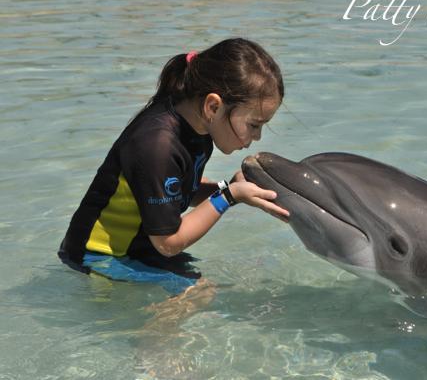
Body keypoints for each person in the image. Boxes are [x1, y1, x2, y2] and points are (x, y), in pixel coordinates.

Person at [58, 38, 289, 298]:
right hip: (98, 255)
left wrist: (229, 187)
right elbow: (169, 244)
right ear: (213, 106)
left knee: (208, 285)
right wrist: (229, 197)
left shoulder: (197, 130)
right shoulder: (157, 145)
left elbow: (177, 193)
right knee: (195, 293)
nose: (256, 137)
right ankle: (149, 340)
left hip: (140, 246)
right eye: (254, 124)